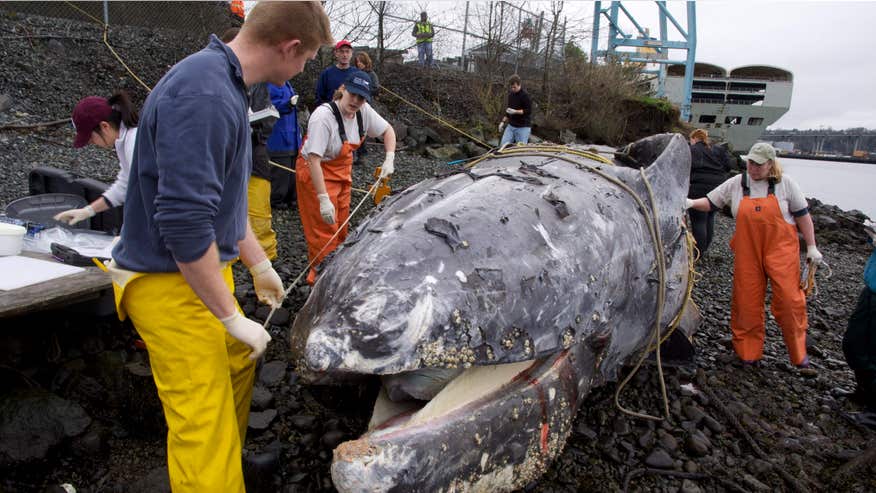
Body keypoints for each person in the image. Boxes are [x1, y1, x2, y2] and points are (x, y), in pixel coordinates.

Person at [107, 3, 332, 492]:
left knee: (237, 364)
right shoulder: (204, 94)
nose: (301, 71)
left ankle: (228, 468)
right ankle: (211, 478)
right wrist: (231, 316)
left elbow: (222, 204)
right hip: (166, 280)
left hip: (202, 273)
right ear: (290, 48)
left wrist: (258, 262)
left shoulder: (229, 85)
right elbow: (185, 224)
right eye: (306, 59)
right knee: (201, 423)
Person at [687, 142, 823, 373]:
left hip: (781, 251)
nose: (753, 167)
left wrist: (811, 247)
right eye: (750, 162)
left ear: (771, 164)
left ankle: (799, 354)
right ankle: (747, 353)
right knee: (746, 302)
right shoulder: (737, 183)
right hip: (747, 251)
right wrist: (689, 202)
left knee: (790, 302)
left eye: (759, 164)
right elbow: (711, 202)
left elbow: (803, 216)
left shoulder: (785, 184)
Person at [296, 71, 397, 284]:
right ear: (343, 89)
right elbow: (314, 159)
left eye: (361, 98)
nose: (355, 101)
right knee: (324, 231)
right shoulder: (323, 117)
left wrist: (390, 158)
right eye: (352, 94)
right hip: (317, 172)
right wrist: (323, 199)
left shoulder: (363, 112)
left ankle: (337, 271)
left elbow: (388, 131)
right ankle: (320, 279)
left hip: (342, 172)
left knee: (341, 226)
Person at [221, 27, 279, 260]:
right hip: (226, 156)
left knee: (259, 213)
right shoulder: (213, 80)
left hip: (254, 153)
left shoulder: (257, 81)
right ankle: (231, 255)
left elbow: (267, 120)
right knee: (226, 210)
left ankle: (266, 258)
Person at [54, 92, 139, 226]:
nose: (92, 143)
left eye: (91, 138)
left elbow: (149, 191)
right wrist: (88, 211)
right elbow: (125, 184)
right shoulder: (122, 140)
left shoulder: (134, 141)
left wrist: (131, 234)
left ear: (104, 126)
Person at [842, 220, 876, 422]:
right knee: (852, 344)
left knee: (873, 353)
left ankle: (874, 411)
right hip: (870, 291)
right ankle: (864, 392)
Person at [687, 129, 732, 255]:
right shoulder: (717, 149)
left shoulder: (693, 150)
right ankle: (705, 246)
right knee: (710, 216)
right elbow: (728, 165)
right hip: (719, 186)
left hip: (699, 187)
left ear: (694, 138)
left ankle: (698, 251)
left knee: (698, 220)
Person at [267, 80, 301, 208]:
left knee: (292, 171)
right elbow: (269, 106)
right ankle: (277, 199)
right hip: (279, 137)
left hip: (291, 136)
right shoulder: (270, 84)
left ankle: (291, 198)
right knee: (281, 171)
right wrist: (288, 104)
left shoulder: (285, 83)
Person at [353, 51, 379, 162]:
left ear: (365, 61)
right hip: (353, 103)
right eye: (357, 62)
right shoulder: (354, 73)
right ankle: (353, 153)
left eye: (361, 61)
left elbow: (376, 90)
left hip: (365, 104)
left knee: (361, 128)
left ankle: (362, 154)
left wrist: (364, 88)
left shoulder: (371, 74)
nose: (359, 64)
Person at [315, 39, 355, 106]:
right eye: (341, 52)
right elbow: (319, 98)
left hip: (352, 114)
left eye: (347, 52)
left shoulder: (357, 74)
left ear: (351, 54)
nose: (345, 55)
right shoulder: (326, 74)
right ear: (336, 53)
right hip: (331, 113)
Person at [499, 74, 532, 147]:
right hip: (511, 126)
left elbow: (528, 111)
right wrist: (502, 122)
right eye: (512, 87)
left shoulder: (525, 96)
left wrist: (515, 111)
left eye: (515, 87)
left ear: (519, 84)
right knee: (503, 146)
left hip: (523, 127)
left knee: (520, 149)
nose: (513, 89)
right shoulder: (511, 95)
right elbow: (508, 111)